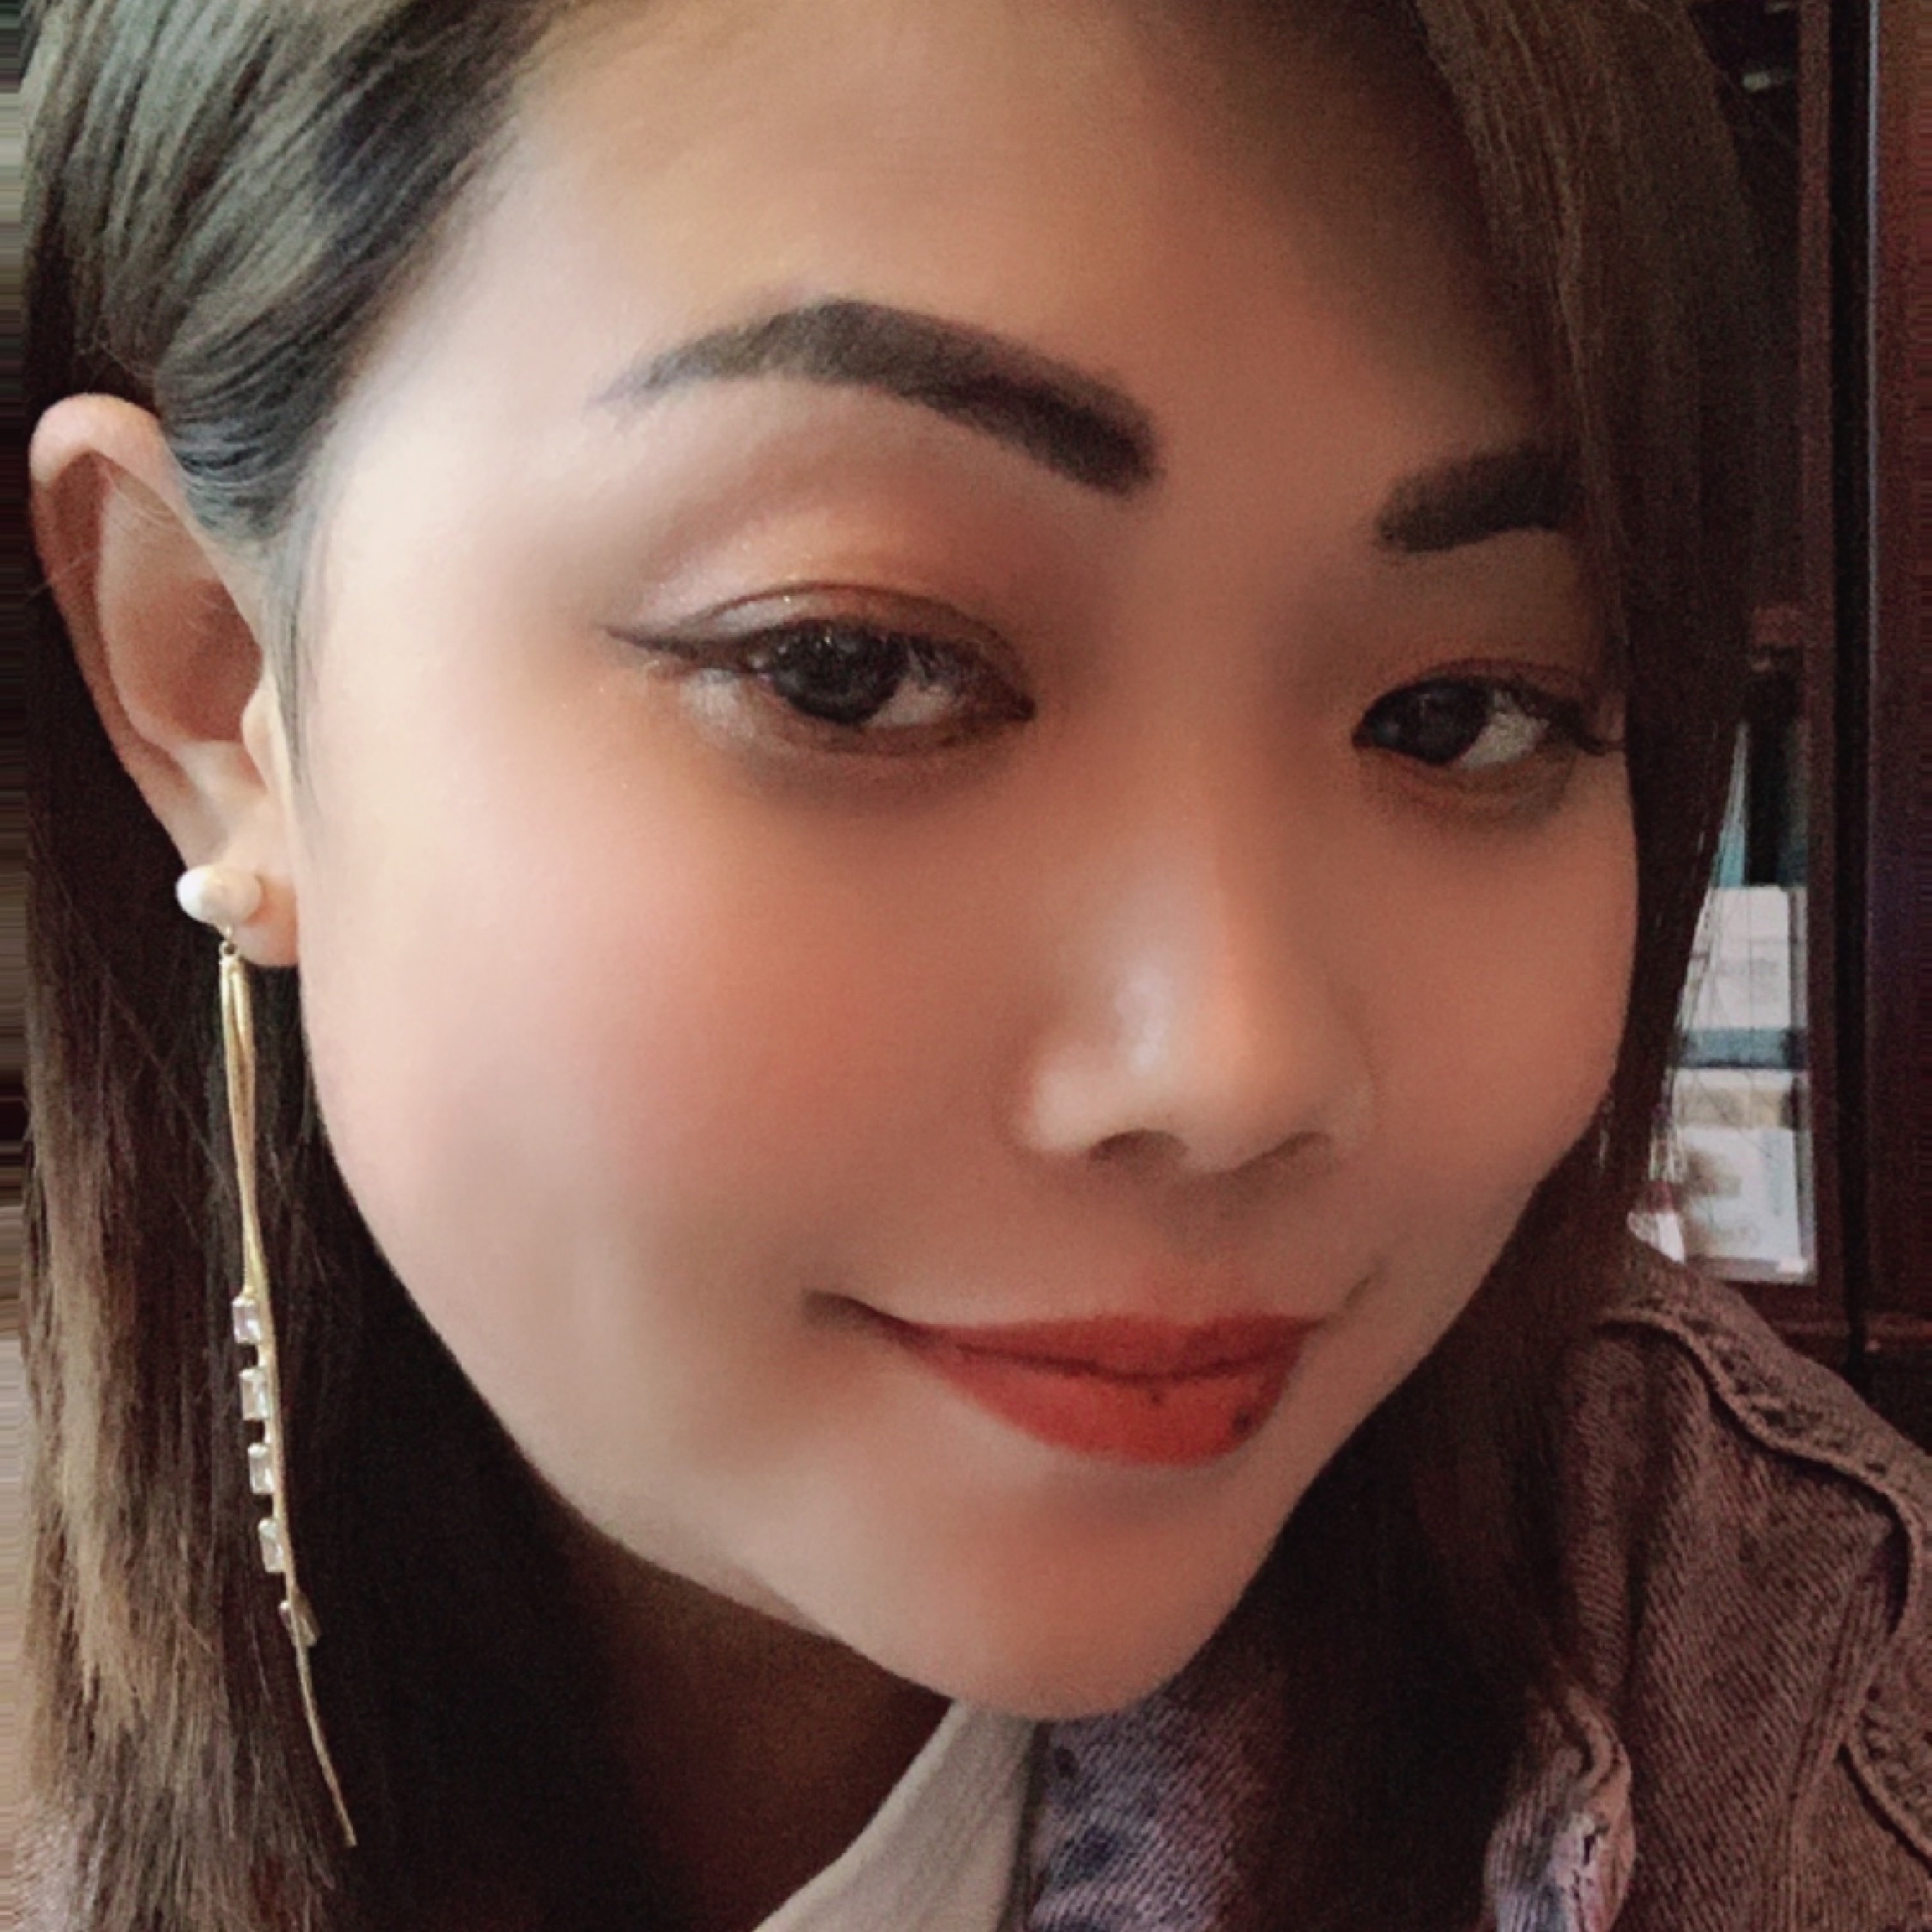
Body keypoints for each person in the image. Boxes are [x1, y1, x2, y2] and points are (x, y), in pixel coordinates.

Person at [21, 0, 1931, 1927]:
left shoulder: (1780, 1706)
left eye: (1457, 713)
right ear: (217, 677)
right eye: (850, 668)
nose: (1236, 1066)